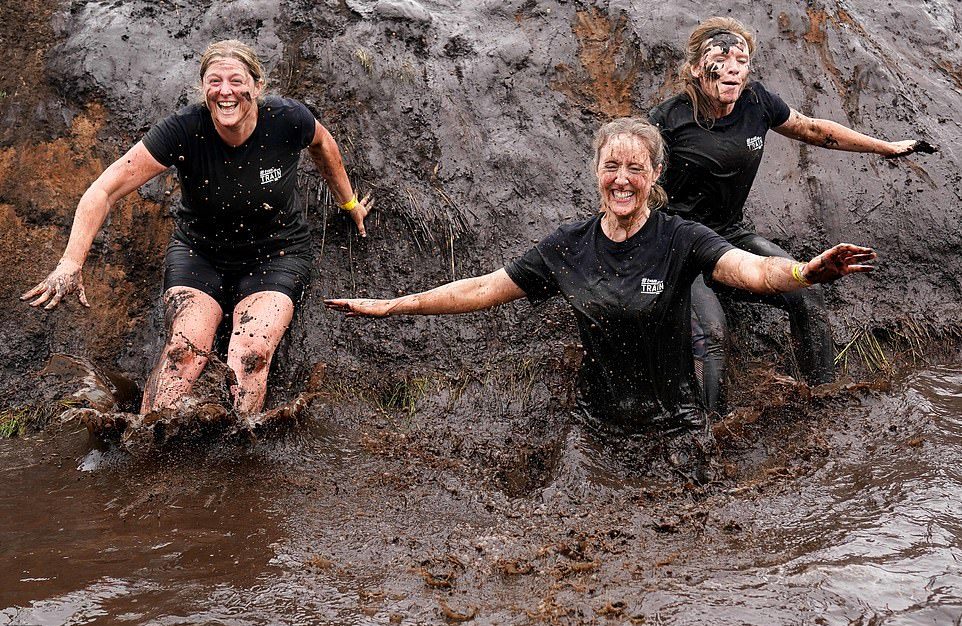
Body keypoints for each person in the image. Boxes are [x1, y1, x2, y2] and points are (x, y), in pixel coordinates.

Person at [325, 118, 875, 465]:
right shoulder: (568, 245)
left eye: (635, 168)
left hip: (676, 421)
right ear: (596, 172)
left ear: (655, 174)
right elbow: (481, 289)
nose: (621, 178)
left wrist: (803, 273)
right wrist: (394, 305)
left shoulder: (681, 237)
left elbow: (753, 271)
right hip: (595, 421)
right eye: (611, 166)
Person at [21, 39, 373, 416]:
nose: (226, 91)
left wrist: (349, 203)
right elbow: (104, 189)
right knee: (182, 352)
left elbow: (324, 144)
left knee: (251, 352)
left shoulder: (288, 119)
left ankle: (239, 449)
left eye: (236, 81)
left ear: (256, 86)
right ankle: (148, 446)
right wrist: (71, 262)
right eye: (214, 81)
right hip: (200, 253)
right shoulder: (184, 129)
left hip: (276, 254)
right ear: (203, 87)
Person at [648, 17, 935, 412]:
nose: (733, 68)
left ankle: (824, 402)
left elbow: (815, 130)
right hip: (679, 245)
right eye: (721, 58)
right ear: (697, 67)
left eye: (742, 60)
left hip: (730, 236)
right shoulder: (667, 120)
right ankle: (706, 434)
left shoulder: (757, 101)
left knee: (807, 293)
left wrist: (884, 147)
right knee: (712, 331)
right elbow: (628, 180)